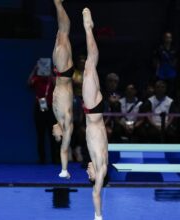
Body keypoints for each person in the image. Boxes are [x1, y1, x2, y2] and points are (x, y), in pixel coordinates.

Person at [81, 8, 108, 220]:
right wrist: (98, 216)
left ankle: (89, 29)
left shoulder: (98, 162)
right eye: (88, 175)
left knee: (92, 66)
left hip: (95, 111)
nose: (87, 171)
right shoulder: (101, 169)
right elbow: (96, 193)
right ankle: (88, 29)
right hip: (92, 111)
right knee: (89, 66)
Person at [51, 0, 74, 179]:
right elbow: (64, 149)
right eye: (56, 135)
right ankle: (58, 4)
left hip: (60, 72)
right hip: (63, 72)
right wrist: (64, 170)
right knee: (64, 32)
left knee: (61, 33)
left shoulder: (56, 116)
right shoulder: (65, 122)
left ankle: (58, 4)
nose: (53, 133)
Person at [28, 61, 59, 164]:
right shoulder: (37, 79)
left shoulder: (51, 79)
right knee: (40, 135)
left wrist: (50, 73)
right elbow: (29, 83)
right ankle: (42, 159)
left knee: (53, 135)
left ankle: (55, 159)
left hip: (50, 108)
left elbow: (57, 85)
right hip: (39, 107)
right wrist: (35, 69)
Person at [153, 32, 178, 97]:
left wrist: (173, 65)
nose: (168, 39)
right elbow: (156, 60)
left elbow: (176, 59)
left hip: (171, 73)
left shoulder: (174, 49)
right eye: (167, 37)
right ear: (164, 38)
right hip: (162, 73)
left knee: (171, 91)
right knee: (161, 90)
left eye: (170, 37)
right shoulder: (160, 48)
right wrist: (157, 70)